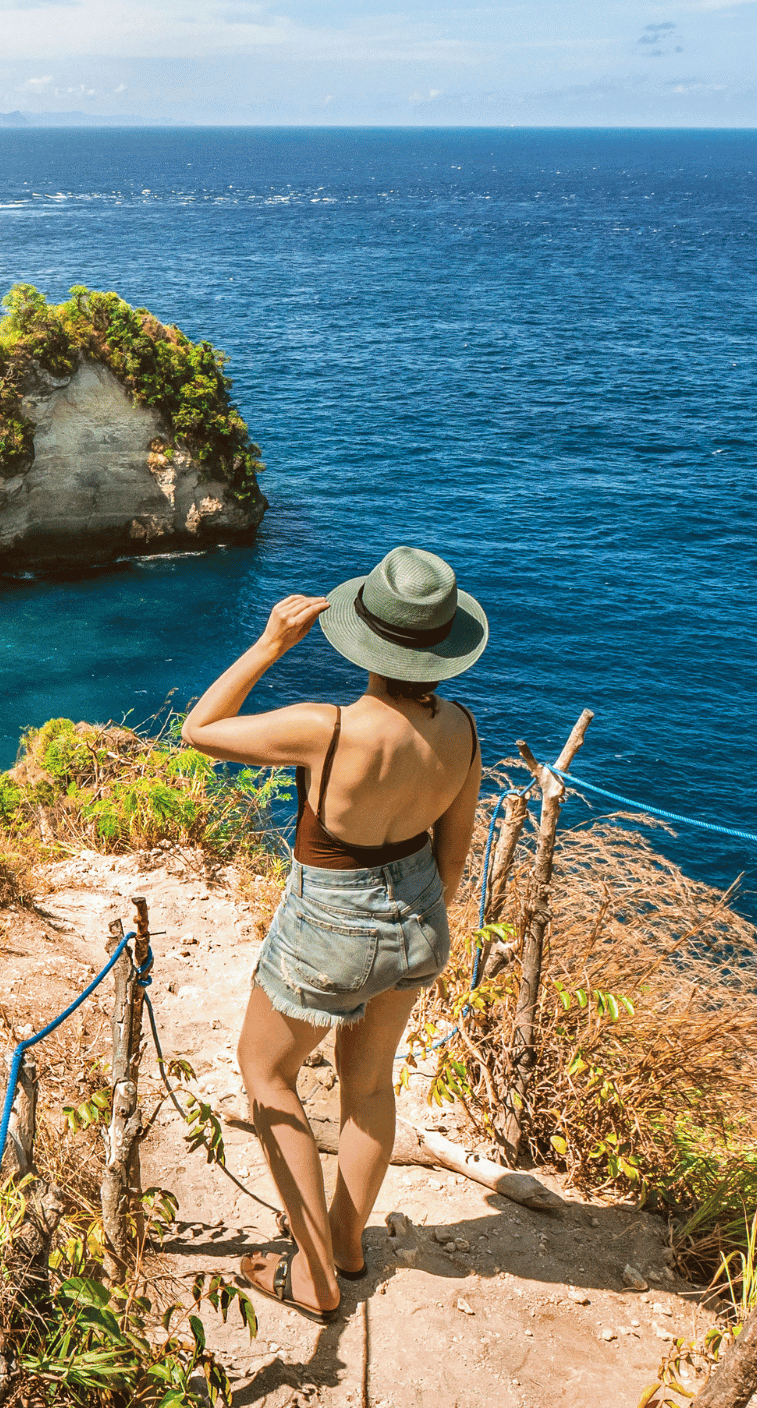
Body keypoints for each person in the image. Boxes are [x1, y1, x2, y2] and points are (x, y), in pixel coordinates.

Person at [180, 546, 487, 1320]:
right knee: (370, 1085)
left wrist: (268, 644)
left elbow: (200, 728)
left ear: (363, 638)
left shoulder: (327, 727)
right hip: (419, 916)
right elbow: (453, 856)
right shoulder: (461, 729)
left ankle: (313, 1273)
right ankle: (346, 1243)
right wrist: (408, 929)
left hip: (329, 920)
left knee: (265, 1072)